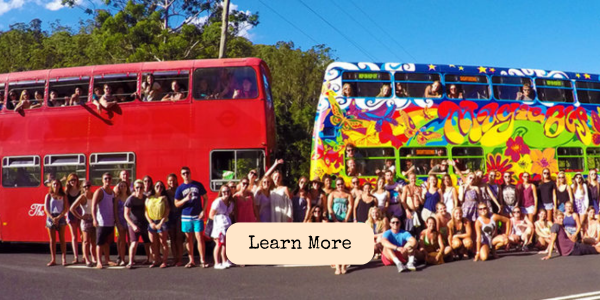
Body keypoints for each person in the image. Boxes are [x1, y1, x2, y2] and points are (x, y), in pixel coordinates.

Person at [174, 166, 209, 268]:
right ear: (181, 175)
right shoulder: (180, 188)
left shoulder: (198, 185)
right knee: (188, 239)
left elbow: (205, 198)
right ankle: (191, 260)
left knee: (199, 237)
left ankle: (202, 260)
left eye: (187, 173)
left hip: (197, 215)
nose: (186, 175)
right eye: (184, 173)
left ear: (190, 173)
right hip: (186, 216)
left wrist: (203, 210)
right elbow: (176, 204)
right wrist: (185, 199)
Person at [92, 172, 118, 269]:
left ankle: (107, 259)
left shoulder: (112, 193)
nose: (108, 180)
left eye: (109, 179)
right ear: (102, 180)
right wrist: (94, 219)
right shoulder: (99, 191)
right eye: (106, 178)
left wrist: (115, 219)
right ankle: (99, 261)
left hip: (110, 222)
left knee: (107, 243)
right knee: (99, 243)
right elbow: (93, 206)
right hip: (101, 222)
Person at [124, 179, 151, 269]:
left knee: (147, 242)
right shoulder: (130, 199)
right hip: (133, 224)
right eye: (137, 187)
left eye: (141, 187)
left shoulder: (145, 198)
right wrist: (133, 225)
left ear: (144, 188)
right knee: (134, 243)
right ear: (134, 188)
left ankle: (149, 259)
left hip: (144, 223)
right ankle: (131, 262)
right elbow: (126, 215)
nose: (139, 189)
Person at [70, 180, 97, 267]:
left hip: (93, 219)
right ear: (82, 188)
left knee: (93, 241)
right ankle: (87, 259)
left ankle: (94, 258)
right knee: (86, 241)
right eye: (85, 186)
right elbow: (72, 208)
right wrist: (80, 217)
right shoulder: (82, 197)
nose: (87, 188)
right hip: (85, 221)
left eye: (88, 186)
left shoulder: (94, 195)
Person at [145, 181, 170, 268]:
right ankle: (155, 260)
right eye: (157, 186)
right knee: (153, 243)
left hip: (162, 222)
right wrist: (151, 223)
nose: (159, 188)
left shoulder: (164, 198)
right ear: (154, 188)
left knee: (163, 242)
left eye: (161, 187)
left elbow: (167, 211)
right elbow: (145, 212)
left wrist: (161, 223)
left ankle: (164, 261)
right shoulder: (149, 198)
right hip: (152, 221)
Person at [44, 179, 68, 266]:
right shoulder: (48, 196)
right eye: (54, 184)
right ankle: (53, 259)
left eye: (57, 184)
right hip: (51, 218)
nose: (56, 186)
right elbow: (46, 209)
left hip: (60, 217)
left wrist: (58, 217)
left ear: (60, 186)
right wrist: (52, 218)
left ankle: (63, 259)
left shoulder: (63, 195)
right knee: (52, 240)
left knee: (62, 239)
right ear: (51, 185)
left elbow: (66, 208)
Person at [210, 185, 235, 269]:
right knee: (219, 244)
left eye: (228, 191)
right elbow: (211, 215)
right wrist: (220, 221)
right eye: (224, 192)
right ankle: (217, 263)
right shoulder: (218, 202)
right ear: (221, 193)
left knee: (225, 244)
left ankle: (225, 261)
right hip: (219, 227)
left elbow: (230, 214)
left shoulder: (231, 203)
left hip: (227, 225)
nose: (226, 193)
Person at [165, 173, 183, 266]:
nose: (172, 182)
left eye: (173, 180)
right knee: (172, 238)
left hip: (179, 216)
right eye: (170, 180)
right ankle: (175, 258)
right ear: (167, 182)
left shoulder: (180, 191)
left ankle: (180, 259)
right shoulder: (166, 192)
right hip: (170, 217)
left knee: (179, 238)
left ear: (176, 181)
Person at [64, 173, 81, 264]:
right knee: (74, 236)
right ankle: (76, 257)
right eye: (71, 180)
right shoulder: (66, 191)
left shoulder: (81, 190)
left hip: (81, 213)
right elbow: (66, 205)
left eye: (74, 180)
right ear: (68, 181)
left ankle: (85, 257)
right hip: (71, 214)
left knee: (83, 236)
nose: (73, 182)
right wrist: (67, 215)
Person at [114, 181, 130, 266]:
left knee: (131, 241)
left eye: (124, 186)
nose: (123, 187)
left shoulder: (130, 197)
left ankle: (131, 258)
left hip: (129, 221)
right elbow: (115, 212)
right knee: (122, 241)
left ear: (127, 187)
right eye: (121, 186)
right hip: (120, 221)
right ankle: (123, 259)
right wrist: (117, 223)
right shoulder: (117, 198)